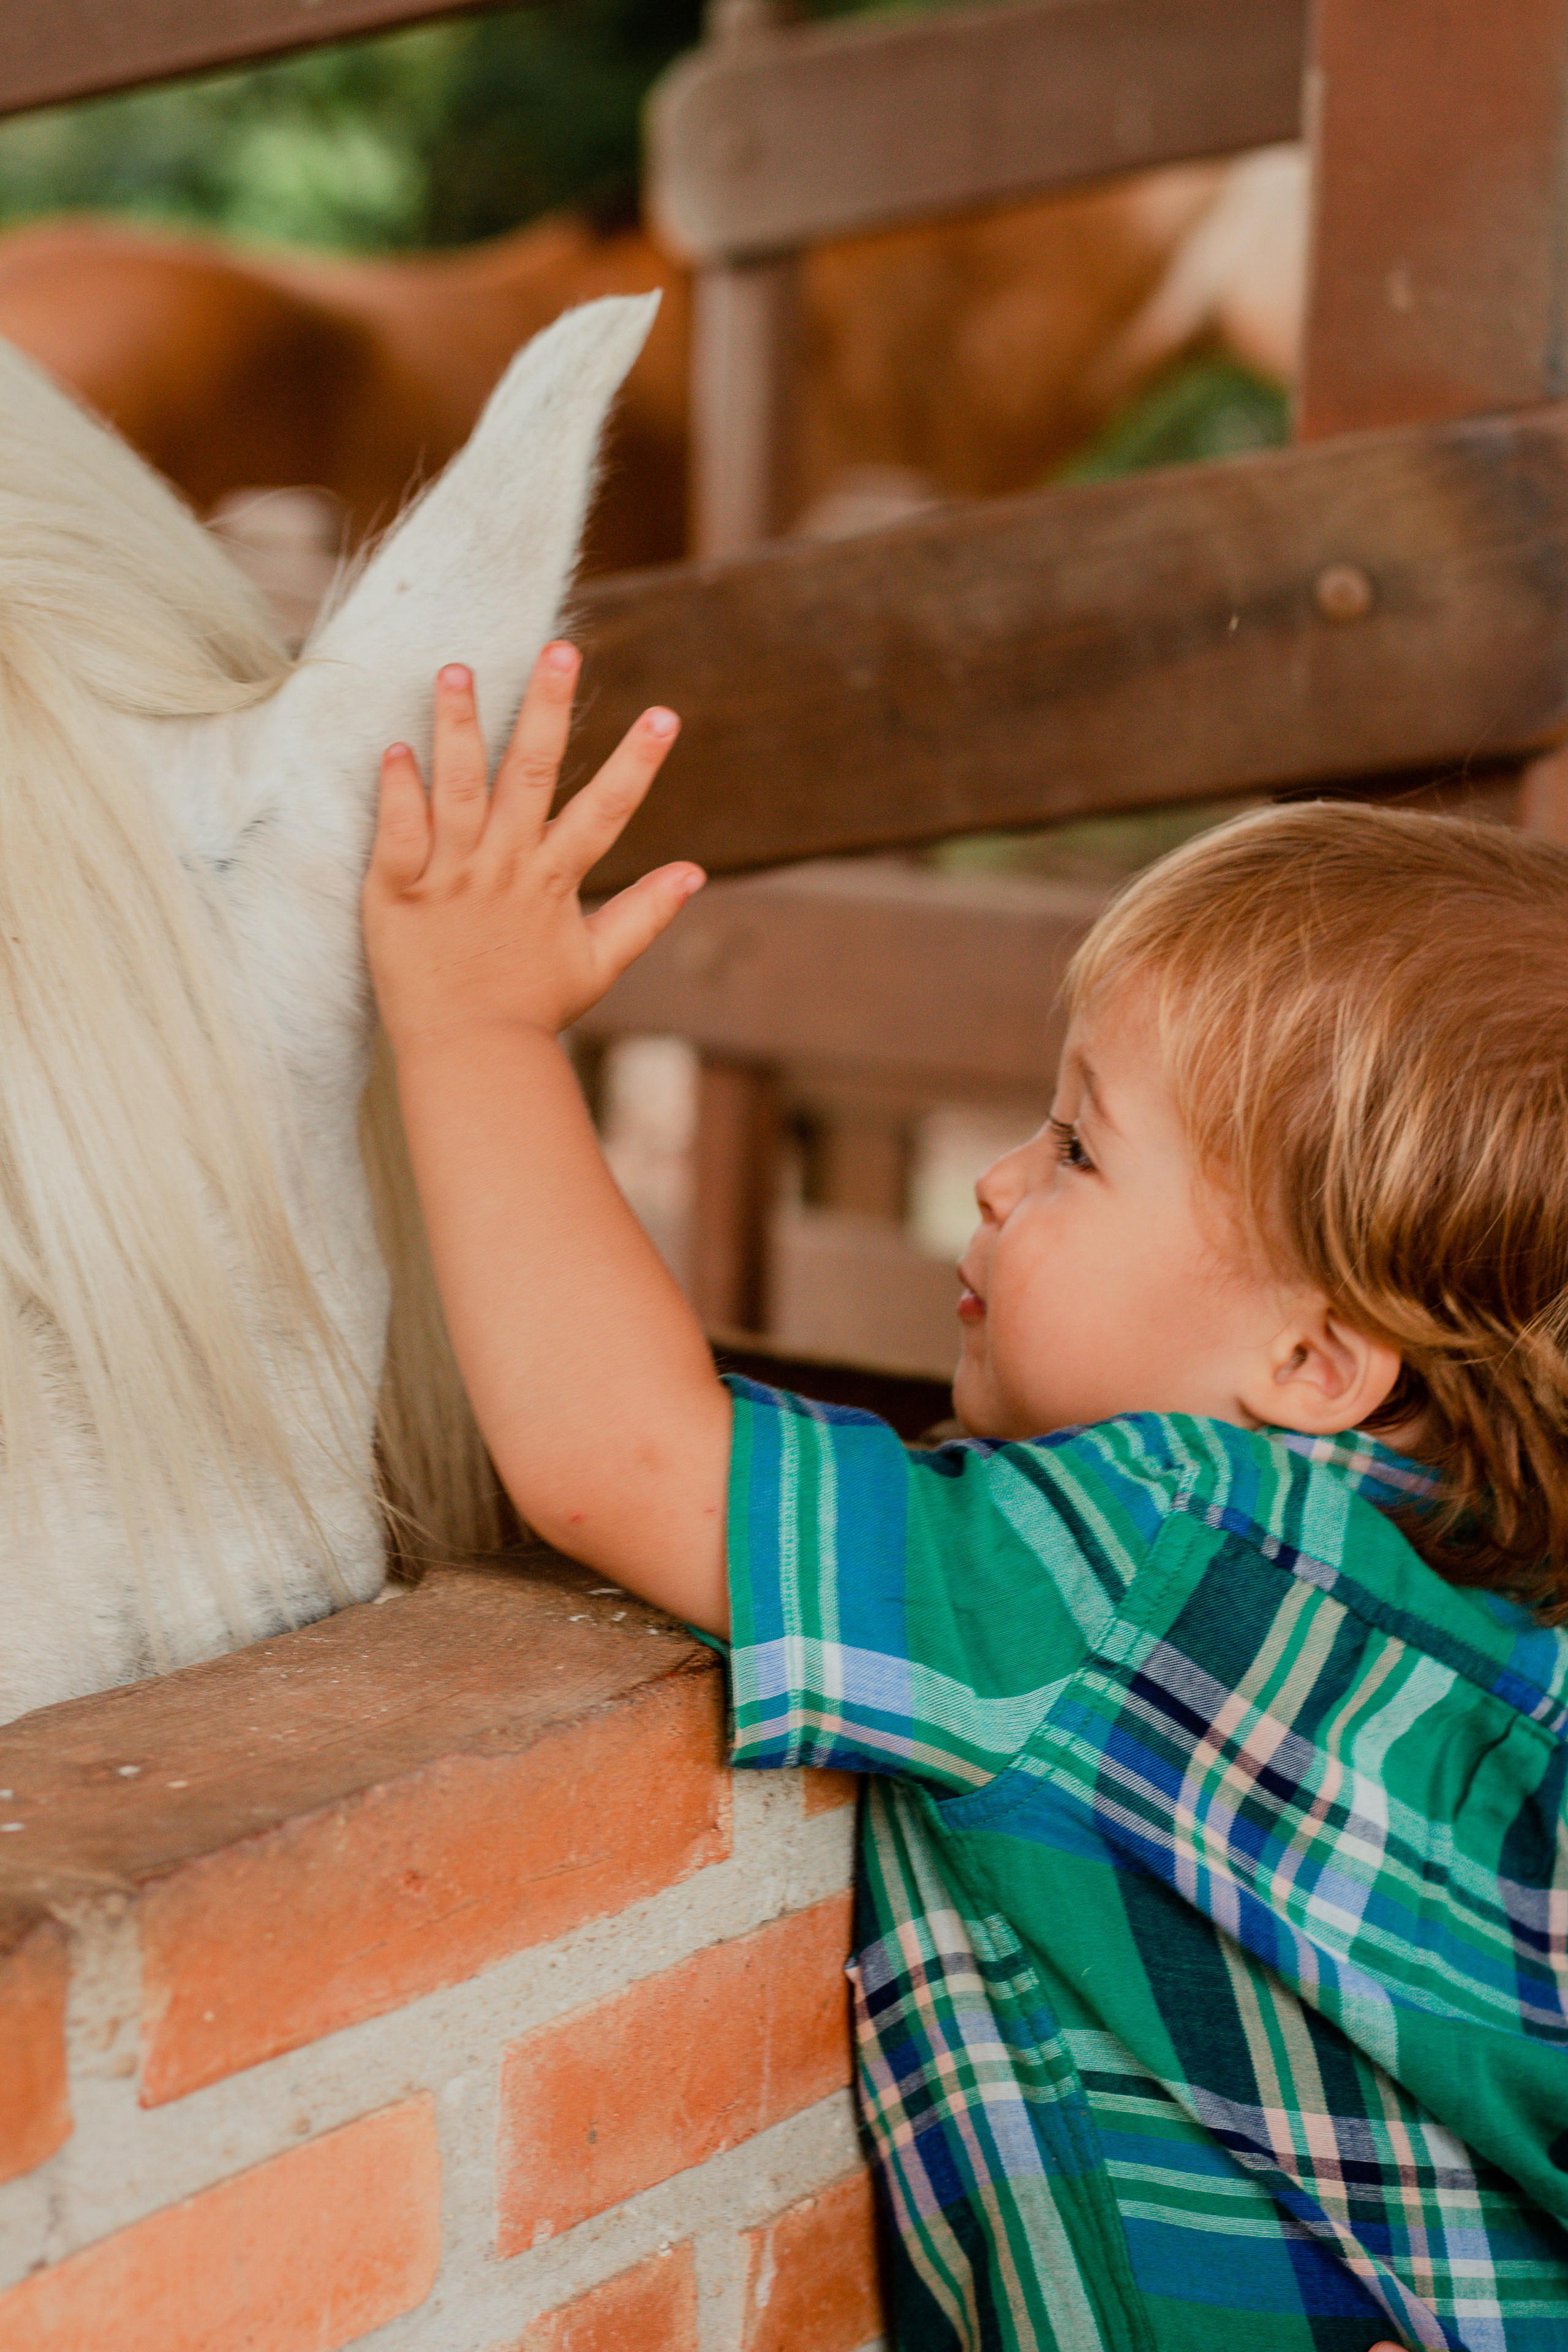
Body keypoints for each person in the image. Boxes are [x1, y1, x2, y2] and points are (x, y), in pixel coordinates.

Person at [363, 643, 1568, 2351]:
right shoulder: (1483, 1610)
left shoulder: (1136, 1560)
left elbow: (615, 1460)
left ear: (1315, 1363)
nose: (1001, 1183)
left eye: (1079, 1149)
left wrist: (470, 1024)